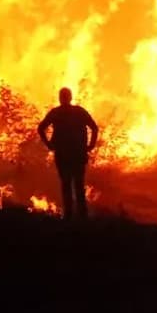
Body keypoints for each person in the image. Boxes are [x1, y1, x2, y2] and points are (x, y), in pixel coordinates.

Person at [37, 87, 99, 220]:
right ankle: (81, 217)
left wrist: (49, 144)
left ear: (60, 98)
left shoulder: (56, 113)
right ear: (70, 97)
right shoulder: (79, 112)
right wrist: (90, 145)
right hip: (77, 153)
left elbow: (41, 128)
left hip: (64, 154)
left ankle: (69, 217)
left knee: (66, 185)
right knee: (78, 184)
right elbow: (94, 128)